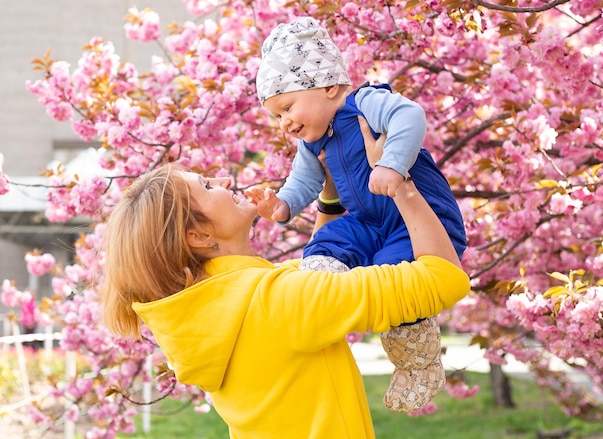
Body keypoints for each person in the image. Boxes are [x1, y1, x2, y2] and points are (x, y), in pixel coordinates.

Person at [99, 131, 470, 437]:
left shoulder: (203, 312)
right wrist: (400, 182)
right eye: (208, 185)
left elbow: (313, 280)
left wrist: (330, 196)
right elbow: (442, 279)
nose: (226, 180)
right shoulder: (279, 301)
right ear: (198, 235)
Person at [249, 16, 467, 412]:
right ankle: (323, 287)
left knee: (396, 280)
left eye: (287, 107)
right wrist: (280, 205)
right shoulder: (312, 142)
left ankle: (418, 364)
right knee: (326, 243)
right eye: (276, 117)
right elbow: (304, 182)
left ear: (329, 86)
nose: (284, 124)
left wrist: (392, 165)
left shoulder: (363, 103)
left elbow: (410, 115)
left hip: (416, 219)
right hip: (367, 220)